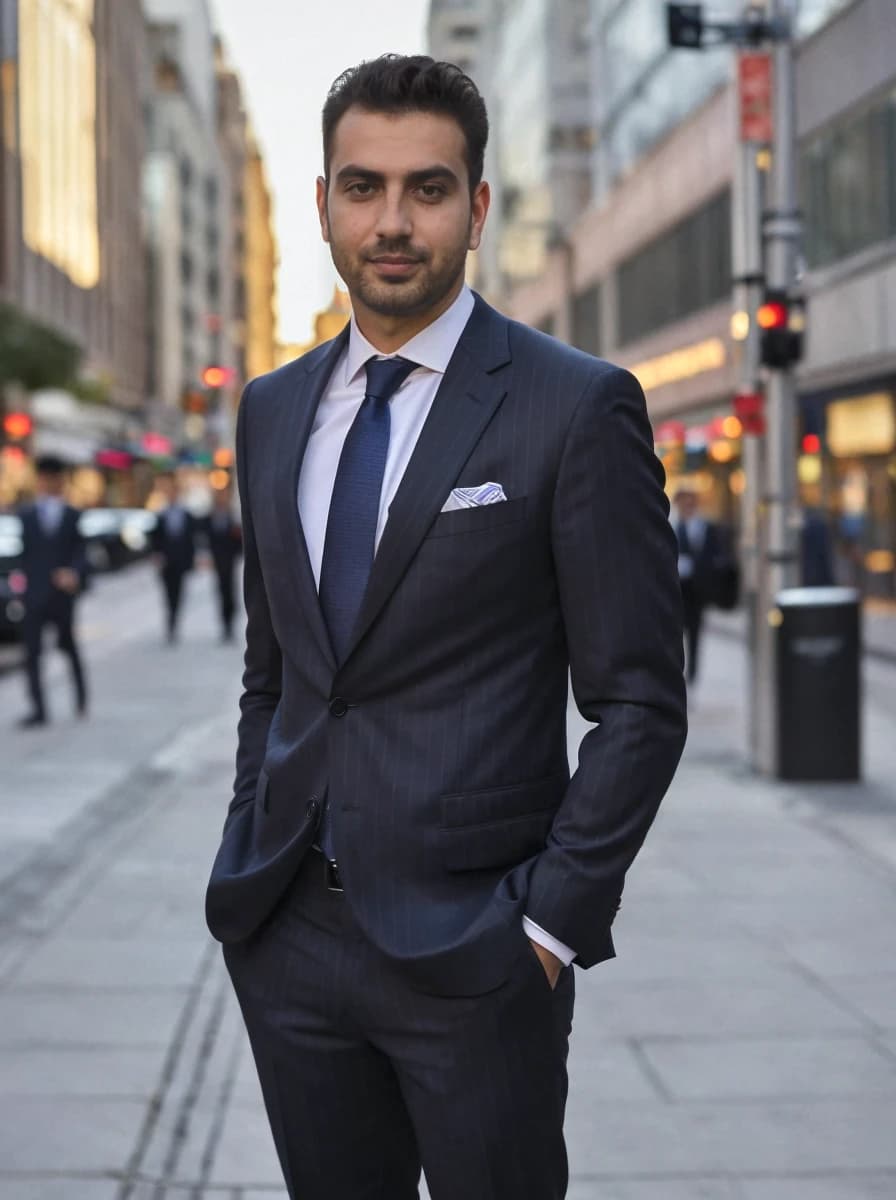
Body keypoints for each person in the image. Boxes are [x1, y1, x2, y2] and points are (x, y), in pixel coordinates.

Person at [205, 55, 687, 1200]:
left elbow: (638, 701)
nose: (391, 221)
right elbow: (272, 672)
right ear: (321, 202)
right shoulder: (270, 411)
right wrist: (245, 854)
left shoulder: (573, 404)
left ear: (474, 208)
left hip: (479, 952)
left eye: (426, 189)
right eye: (362, 187)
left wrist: (548, 928)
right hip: (287, 941)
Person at [17, 455, 88, 728]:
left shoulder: (72, 515)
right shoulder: (26, 515)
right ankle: (38, 708)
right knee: (32, 653)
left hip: (62, 596)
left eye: (52, 477)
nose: (48, 483)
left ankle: (81, 698)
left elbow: (82, 553)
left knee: (68, 647)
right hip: (34, 595)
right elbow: (23, 557)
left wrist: (74, 572)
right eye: (44, 477)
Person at [672, 485, 726, 684]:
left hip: (697, 591)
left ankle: (692, 675)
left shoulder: (705, 527)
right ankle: (678, 671)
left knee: (695, 634)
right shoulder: (673, 526)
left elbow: (714, 555)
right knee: (676, 635)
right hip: (677, 590)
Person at [150, 471, 196, 643]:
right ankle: (171, 622)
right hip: (166, 563)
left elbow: (192, 540)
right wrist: (156, 556)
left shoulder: (186, 515)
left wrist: (193, 560)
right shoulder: (161, 515)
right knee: (168, 594)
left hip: (181, 562)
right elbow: (155, 540)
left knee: (179, 593)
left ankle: (174, 619)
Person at [204, 484, 242, 642]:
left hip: (230, 561)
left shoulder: (232, 516)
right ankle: (224, 624)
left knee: (231, 592)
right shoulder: (209, 517)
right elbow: (206, 539)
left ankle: (231, 623)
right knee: (221, 591)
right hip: (217, 561)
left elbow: (239, 541)